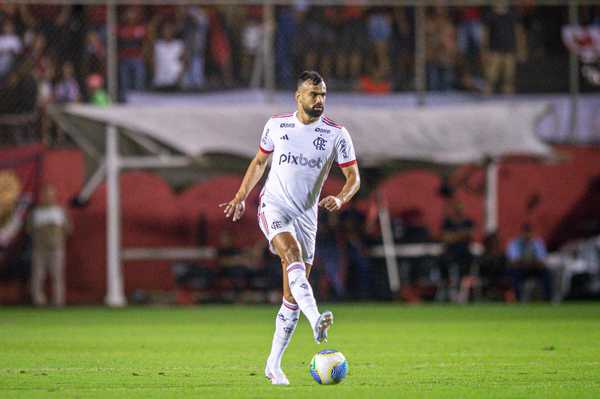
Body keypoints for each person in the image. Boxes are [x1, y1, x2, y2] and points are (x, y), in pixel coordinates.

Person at [219, 71, 360, 385]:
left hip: (307, 218)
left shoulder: (337, 134)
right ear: (299, 96)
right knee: (291, 254)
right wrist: (241, 196)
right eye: (313, 94)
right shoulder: (277, 125)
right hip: (274, 207)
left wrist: (341, 198)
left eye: (323, 94)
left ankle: (273, 365)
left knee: (291, 297)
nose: (319, 100)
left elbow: (354, 178)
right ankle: (317, 322)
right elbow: (259, 162)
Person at [29, 184, 71, 307]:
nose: (48, 197)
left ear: (54, 196)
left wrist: (56, 237)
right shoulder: (35, 212)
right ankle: (38, 301)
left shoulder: (60, 211)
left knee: (57, 275)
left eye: (50, 195)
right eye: (45, 195)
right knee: (38, 275)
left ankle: (58, 301)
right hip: (39, 249)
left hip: (57, 248)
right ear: (41, 197)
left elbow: (68, 229)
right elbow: (29, 229)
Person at [506, 223, 552, 302]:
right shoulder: (514, 243)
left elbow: (542, 261)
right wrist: (529, 262)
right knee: (513, 274)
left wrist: (529, 263)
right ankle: (518, 299)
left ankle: (548, 299)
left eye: (529, 232)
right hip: (520, 269)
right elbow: (513, 261)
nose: (527, 235)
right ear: (522, 232)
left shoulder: (537, 243)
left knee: (547, 273)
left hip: (535, 269)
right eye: (525, 232)